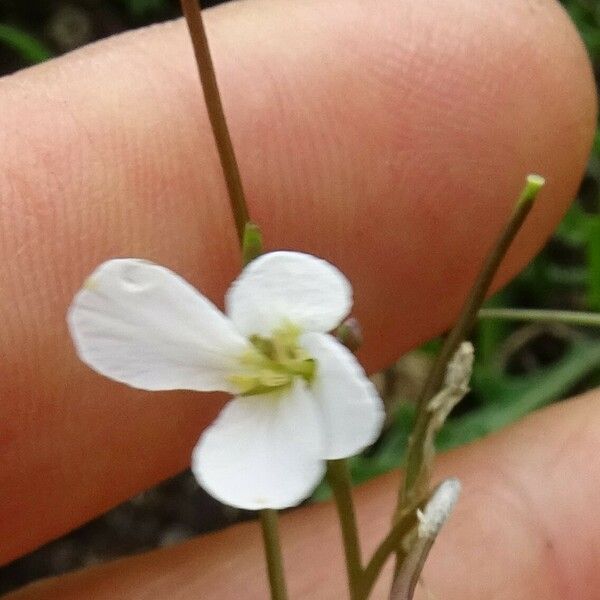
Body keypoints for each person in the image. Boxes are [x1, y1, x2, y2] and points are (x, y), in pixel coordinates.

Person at [0, 0, 597, 597]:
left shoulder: (307, 353)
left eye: (281, 359)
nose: (272, 363)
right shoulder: (278, 355)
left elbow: (333, 398)